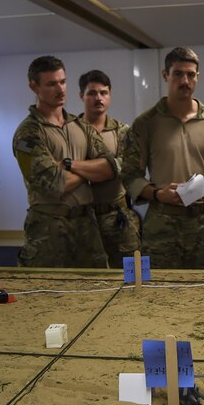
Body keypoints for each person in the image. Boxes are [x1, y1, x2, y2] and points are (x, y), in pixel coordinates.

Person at [122, 47, 204, 268]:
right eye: (178, 74)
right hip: (161, 225)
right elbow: (129, 175)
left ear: (197, 77)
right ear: (166, 75)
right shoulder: (146, 123)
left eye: (191, 74)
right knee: (161, 292)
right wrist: (157, 194)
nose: (185, 80)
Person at [13, 56, 116, 268]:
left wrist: (69, 165)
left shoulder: (80, 126)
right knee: (48, 293)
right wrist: (89, 168)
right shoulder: (27, 134)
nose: (60, 89)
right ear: (34, 86)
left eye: (63, 82)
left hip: (86, 226)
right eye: (51, 84)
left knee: (94, 292)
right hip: (48, 229)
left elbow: (109, 167)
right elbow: (54, 185)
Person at [78, 70, 142, 268]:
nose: (98, 98)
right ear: (82, 95)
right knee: (87, 279)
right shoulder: (70, 131)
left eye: (104, 93)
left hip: (117, 216)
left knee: (130, 275)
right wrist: (105, 167)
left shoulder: (122, 131)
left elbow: (125, 168)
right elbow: (62, 172)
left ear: (110, 95)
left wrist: (80, 168)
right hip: (81, 218)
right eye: (92, 93)